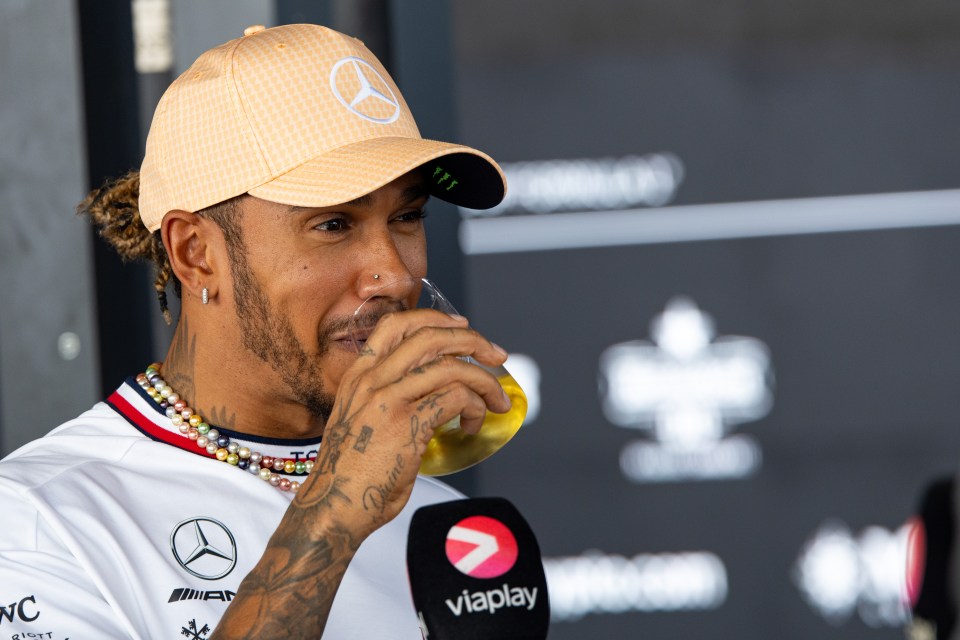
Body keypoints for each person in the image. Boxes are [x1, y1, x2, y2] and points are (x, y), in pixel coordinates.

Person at [0, 23, 511, 639]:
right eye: (333, 225)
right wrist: (334, 510)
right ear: (196, 255)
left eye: (406, 216)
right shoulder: (36, 521)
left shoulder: (447, 527)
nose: (395, 274)